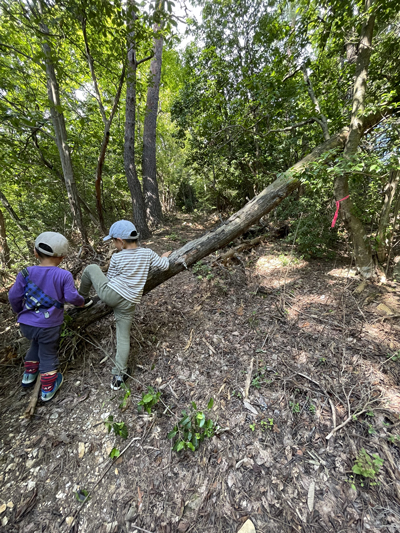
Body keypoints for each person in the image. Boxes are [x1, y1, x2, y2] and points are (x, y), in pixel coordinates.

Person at [78, 220, 171, 390]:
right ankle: (119, 375)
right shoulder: (148, 253)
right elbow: (164, 266)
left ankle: (81, 299)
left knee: (91, 268)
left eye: (113, 241)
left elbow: (111, 279)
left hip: (111, 295)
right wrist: (164, 256)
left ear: (120, 241)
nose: (114, 244)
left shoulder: (117, 257)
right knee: (123, 336)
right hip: (130, 302)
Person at [8, 232, 86, 401]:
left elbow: (13, 296)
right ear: (62, 257)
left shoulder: (25, 273)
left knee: (35, 344)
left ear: (35, 252)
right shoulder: (63, 275)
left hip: (27, 325)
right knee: (48, 353)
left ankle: (28, 376)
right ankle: (48, 388)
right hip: (50, 325)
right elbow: (72, 297)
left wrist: (19, 311)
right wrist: (81, 302)